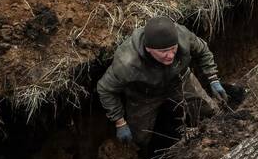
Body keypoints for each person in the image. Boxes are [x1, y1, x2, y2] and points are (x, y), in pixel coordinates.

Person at [97, 16, 227, 148]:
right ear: (148, 49)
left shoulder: (182, 36)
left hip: (179, 80)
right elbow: (105, 89)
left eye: (173, 49)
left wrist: (213, 78)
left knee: (211, 112)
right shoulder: (127, 62)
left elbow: (202, 51)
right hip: (144, 95)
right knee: (139, 140)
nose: (170, 55)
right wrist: (119, 122)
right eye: (163, 51)